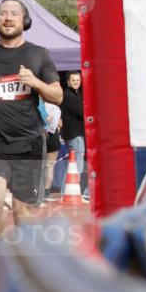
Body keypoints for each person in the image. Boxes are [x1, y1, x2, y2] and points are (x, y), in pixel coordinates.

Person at [0, 0, 63, 243]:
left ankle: (23, 265)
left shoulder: (39, 54)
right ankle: (4, 257)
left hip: (27, 144)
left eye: (14, 14)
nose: (8, 17)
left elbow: (58, 95)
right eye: (3, 13)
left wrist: (36, 83)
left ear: (25, 21)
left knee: (23, 213)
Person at [61, 70, 89, 201]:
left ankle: (66, 193)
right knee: (77, 166)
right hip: (74, 134)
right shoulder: (68, 95)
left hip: (78, 134)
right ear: (68, 81)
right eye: (73, 80)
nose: (76, 82)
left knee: (75, 165)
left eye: (78, 80)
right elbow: (82, 111)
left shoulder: (78, 95)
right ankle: (68, 194)